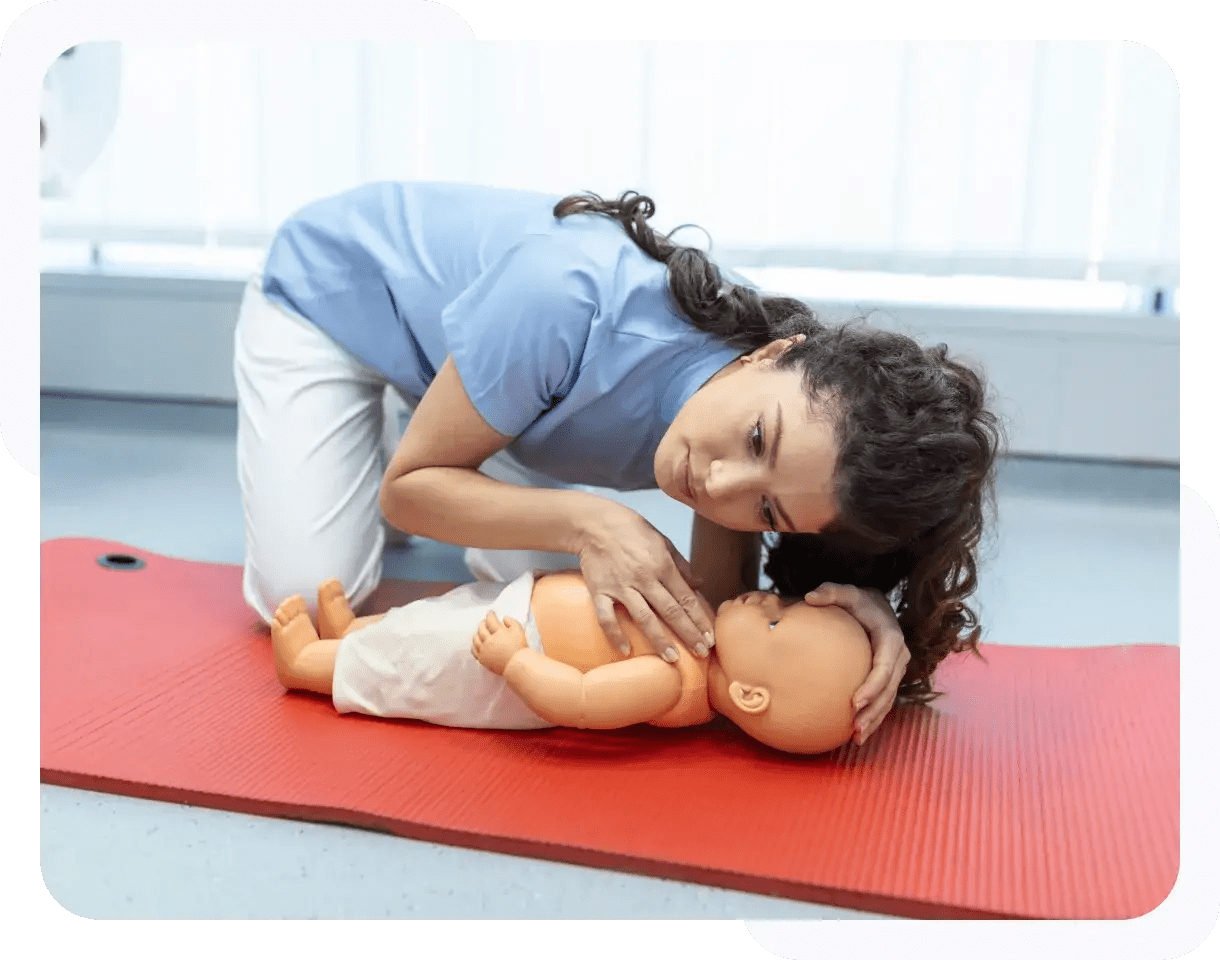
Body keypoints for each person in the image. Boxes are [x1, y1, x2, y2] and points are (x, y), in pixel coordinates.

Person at [234, 182, 1001, 747]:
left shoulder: (766, 422)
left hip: (523, 397)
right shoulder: (566, 298)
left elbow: (718, 624)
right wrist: (592, 518)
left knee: (583, 606)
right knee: (297, 591)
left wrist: (858, 615)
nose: (719, 486)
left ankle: (456, 418)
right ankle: (424, 420)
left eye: (768, 513)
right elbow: (407, 495)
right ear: (769, 354)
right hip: (332, 296)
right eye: (758, 439)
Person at [269, 572, 874, 756]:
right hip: (517, 606)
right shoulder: (701, 637)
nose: (769, 599)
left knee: (415, 662)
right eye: (785, 603)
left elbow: (582, 701)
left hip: (508, 657)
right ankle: (353, 631)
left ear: (749, 695)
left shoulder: (669, 679)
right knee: (426, 620)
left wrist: (516, 662)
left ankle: (308, 663)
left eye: (774, 621)